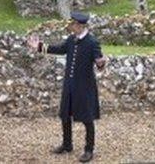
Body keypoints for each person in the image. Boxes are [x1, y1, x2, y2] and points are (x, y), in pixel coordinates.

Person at [27, 11, 107, 163]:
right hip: (69, 85)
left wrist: (101, 63)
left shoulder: (92, 42)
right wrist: (38, 46)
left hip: (84, 87)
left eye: (72, 24)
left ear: (80, 25)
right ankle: (67, 144)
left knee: (87, 118)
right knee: (65, 114)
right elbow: (58, 49)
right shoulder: (71, 39)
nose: (70, 26)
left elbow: (99, 62)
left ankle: (89, 149)